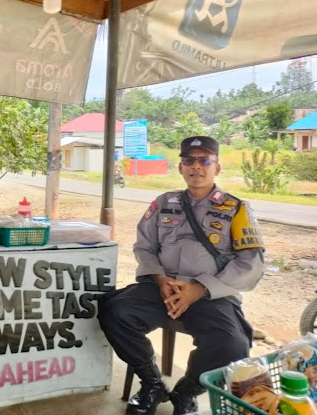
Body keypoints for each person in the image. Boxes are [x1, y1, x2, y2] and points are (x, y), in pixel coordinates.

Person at [98, 136, 265, 415]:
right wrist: (159, 278)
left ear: (216, 167)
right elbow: (144, 247)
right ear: (180, 167)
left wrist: (199, 288)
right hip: (162, 287)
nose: (196, 166)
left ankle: (187, 391)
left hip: (210, 293)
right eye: (189, 160)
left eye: (204, 160)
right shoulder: (163, 203)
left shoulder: (236, 209)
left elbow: (252, 263)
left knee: (233, 343)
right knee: (114, 311)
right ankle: (152, 383)